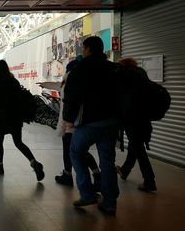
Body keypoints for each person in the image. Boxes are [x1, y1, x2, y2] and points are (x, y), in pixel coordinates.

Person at [63, 36, 120, 215]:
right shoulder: (114, 68)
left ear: (87, 49)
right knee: (107, 161)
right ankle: (110, 202)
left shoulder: (80, 70)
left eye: (83, 48)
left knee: (75, 152)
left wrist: (68, 119)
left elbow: (72, 97)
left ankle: (87, 194)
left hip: (89, 122)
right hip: (111, 122)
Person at [0, 60, 45, 181]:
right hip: (16, 117)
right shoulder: (14, 82)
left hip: (3, 117)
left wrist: (0, 106)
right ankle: (34, 162)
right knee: (18, 142)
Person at [55, 57, 101, 189]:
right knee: (79, 150)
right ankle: (94, 175)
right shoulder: (79, 79)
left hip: (71, 122)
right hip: (75, 121)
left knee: (73, 150)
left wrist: (69, 121)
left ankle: (74, 178)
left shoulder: (72, 80)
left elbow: (71, 102)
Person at [116, 57, 157, 193]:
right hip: (144, 117)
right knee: (135, 145)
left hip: (131, 118)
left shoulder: (124, 76)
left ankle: (149, 180)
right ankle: (125, 170)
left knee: (138, 149)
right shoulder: (141, 75)